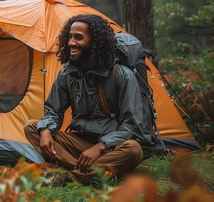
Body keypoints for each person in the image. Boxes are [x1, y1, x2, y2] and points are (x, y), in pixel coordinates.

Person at [24, 14, 147, 186]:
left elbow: (133, 127)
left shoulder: (122, 75)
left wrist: (101, 146)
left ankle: (72, 177)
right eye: (70, 37)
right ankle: (92, 172)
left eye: (78, 38)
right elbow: (53, 111)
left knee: (134, 150)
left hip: (111, 147)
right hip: (81, 145)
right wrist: (45, 130)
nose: (71, 43)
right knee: (32, 127)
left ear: (95, 42)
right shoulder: (67, 74)